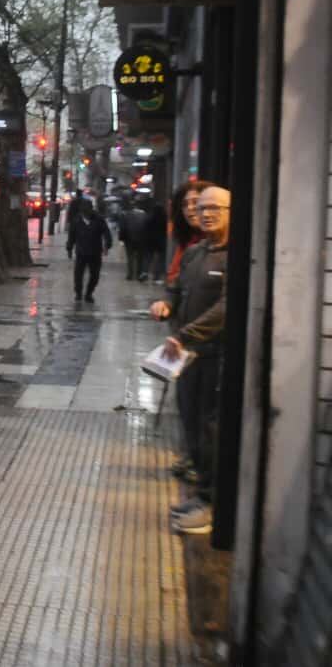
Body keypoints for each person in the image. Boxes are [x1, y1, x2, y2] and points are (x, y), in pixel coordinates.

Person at [150, 186, 231, 535]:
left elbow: (226, 308)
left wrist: (186, 334)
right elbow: (176, 288)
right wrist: (165, 303)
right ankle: (201, 495)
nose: (206, 213)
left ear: (231, 211)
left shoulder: (235, 256)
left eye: (214, 207)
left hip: (216, 357)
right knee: (193, 427)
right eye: (200, 208)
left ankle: (213, 503)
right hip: (185, 358)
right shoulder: (196, 252)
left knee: (213, 430)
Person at [166, 181, 213, 288]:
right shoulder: (187, 240)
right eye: (184, 204)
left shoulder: (217, 241)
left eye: (196, 202)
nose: (190, 208)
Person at [66, 201, 112, 303]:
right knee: (78, 275)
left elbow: (106, 233)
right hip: (81, 252)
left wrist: (107, 245)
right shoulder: (76, 221)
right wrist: (69, 248)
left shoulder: (99, 220)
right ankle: (78, 293)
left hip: (95, 252)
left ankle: (89, 293)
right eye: (84, 212)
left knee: (95, 275)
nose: (86, 214)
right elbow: (71, 236)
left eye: (88, 211)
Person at [119, 199, 150, 281]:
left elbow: (123, 227)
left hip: (129, 239)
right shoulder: (145, 215)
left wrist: (121, 238)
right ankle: (138, 273)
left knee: (130, 257)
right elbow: (148, 228)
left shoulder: (127, 214)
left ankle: (130, 274)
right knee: (140, 257)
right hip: (141, 239)